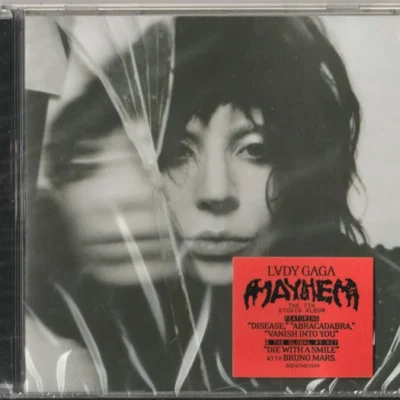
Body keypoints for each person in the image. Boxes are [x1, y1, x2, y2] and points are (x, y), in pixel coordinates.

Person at [27, 16, 400, 394]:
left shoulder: (381, 309)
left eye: (256, 149)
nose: (216, 192)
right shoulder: (77, 304)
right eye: (176, 151)